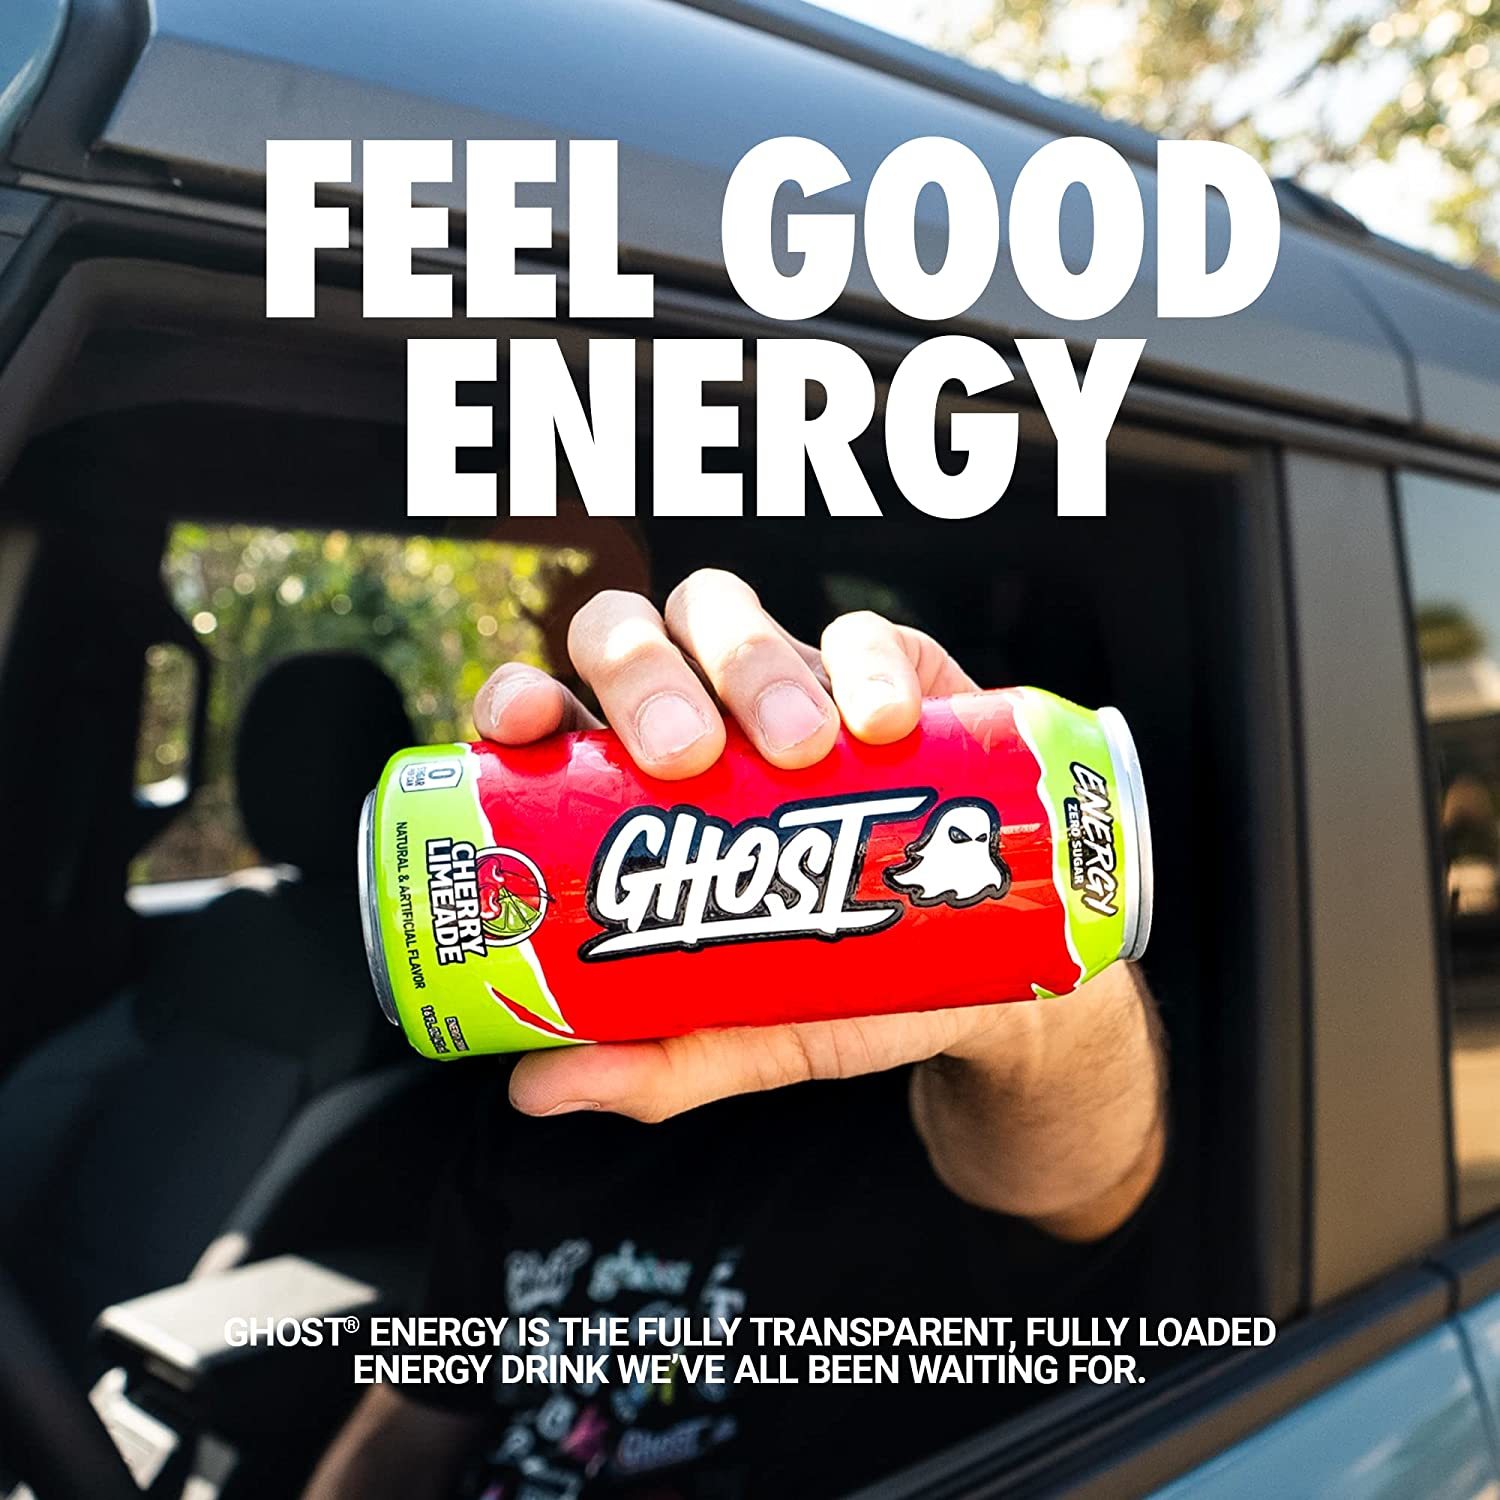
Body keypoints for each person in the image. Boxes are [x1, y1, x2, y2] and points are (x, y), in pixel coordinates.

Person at [304, 571, 1167, 1500]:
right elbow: (414, 1418)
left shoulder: (905, 1094)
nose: (553, 644)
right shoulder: (537, 1117)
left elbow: (1089, 1184)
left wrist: (1035, 995)